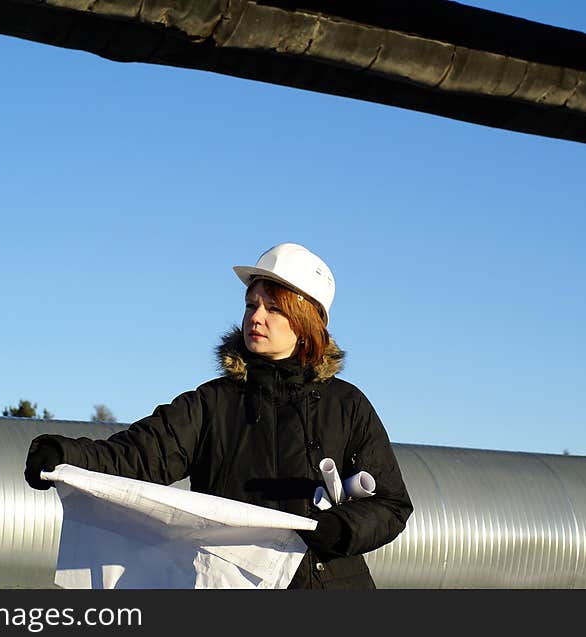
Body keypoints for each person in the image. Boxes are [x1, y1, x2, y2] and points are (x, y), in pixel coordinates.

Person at [24, 242, 413, 589]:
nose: (255, 317)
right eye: (250, 305)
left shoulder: (346, 405)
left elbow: (392, 505)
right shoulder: (212, 404)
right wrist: (65, 456)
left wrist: (343, 529)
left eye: (273, 308)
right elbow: (138, 456)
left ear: (306, 322)